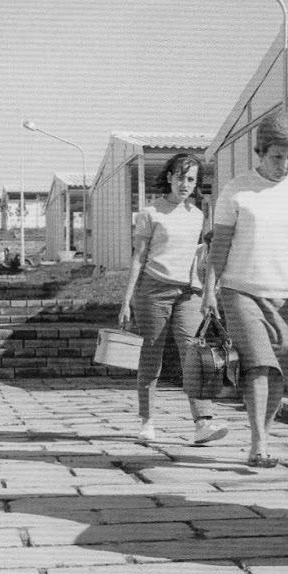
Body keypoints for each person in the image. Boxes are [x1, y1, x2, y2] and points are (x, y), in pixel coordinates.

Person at [207, 110, 288, 469]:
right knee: (260, 365)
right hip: (240, 290)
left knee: (285, 368)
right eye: (276, 156)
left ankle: (263, 429)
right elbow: (219, 246)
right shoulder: (237, 190)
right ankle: (259, 443)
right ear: (261, 152)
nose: (284, 164)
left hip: (285, 295)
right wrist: (208, 290)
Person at [118, 151, 229, 448]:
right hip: (153, 290)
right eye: (180, 177)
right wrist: (126, 299)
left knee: (194, 353)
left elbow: (201, 254)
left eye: (191, 179)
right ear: (169, 177)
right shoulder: (150, 213)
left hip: (187, 293)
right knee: (151, 355)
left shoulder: (198, 215)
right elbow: (138, 258)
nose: (185, 184)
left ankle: (202, 422)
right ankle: (147, 421)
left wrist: (208, 289)